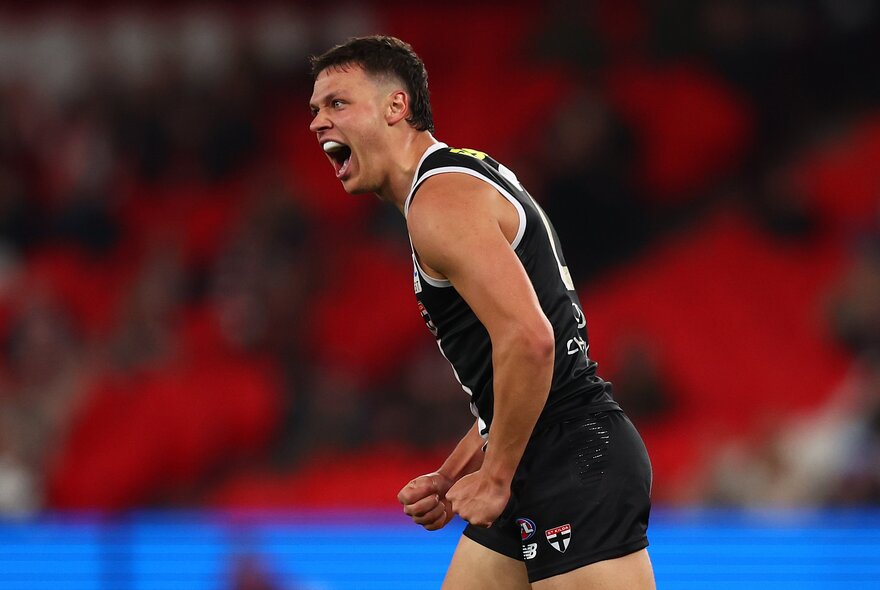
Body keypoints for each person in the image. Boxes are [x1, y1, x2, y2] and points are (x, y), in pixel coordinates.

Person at [308, 35, 655, 589]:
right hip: (541, 451)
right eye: (315, 109)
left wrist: (494, 478)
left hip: (572, 457)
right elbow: (516, 374)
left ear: (396, 106)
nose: (317, 122)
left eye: (337, 103)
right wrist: (454, 474)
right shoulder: (456, 179)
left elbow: (531, 342)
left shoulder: (438, 202)